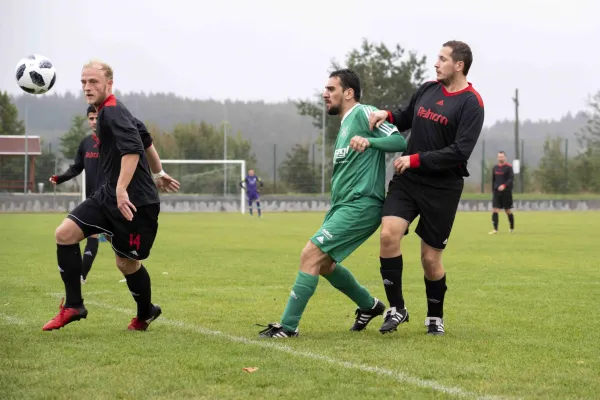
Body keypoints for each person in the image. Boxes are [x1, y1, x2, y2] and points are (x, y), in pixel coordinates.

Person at [259, 69, 407, 338]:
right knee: (325, 263)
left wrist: (371, 142)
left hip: (361, 204)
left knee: (310, 254)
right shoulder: (344, 125)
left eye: (331, 89)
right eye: (325, 90)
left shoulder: (364, 113)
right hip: (341, 206)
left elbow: (399, 139)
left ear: (348, 93)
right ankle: (369, 305)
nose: (325, 94)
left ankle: (288, 327)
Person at [43, 59, 179, 332]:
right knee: (64, 234)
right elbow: (147, 141)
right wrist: (158, 172)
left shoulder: (113, 112)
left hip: (136, 202)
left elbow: (133, 150)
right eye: (83, 82)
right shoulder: (109, 111)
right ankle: (73, 305)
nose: (87, 87)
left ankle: (145, 313)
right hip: (109, 196)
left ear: (109, 84)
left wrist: (122, 188)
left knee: (126, 263)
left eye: (93, 81)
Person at [368, 40, 484, 335]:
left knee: (430, 259)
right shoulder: (427, 89)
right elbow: (407, 115)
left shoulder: (472, 103)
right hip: (409, 181)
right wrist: (387, 115)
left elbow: (460, 151)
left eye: (442, 59)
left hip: (443, 188)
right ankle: (397, 308)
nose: (436, 63)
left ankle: (435, 316)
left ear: (459, 65)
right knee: (388, 234)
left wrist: (416, 159)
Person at [50, 105, 104, 284]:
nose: (94, 121)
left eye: (97, 117)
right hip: (92, 199)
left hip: (111, 198)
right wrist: (60, 178)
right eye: (91, 118)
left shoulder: (114, 141)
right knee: (92, 235)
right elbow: (77, 167)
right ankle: (81, 275)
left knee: (120, 245)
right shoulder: (86, 143)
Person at [490, 151, 514, 234]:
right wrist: (493, 190)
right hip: (497, 193)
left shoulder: (509, 167)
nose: (500, 158)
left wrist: (504, 185)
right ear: (497, 158)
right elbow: (493, 180)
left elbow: (511, 179)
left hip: (506, 192)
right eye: (499, 157)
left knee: (507, 210)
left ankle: (511, 228)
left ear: (505, 157)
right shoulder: (495, 168)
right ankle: (495, 229)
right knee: (495, 210)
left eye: (502, 156)